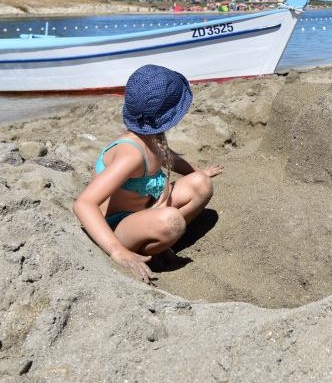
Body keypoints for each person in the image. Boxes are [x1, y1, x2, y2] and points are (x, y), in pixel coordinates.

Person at [73, 64, 224, 282]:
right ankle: (147, 250)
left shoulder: (152, 138)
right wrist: (116, 250)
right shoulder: (131, 154)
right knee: (172, 222)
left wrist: (199, 172)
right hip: (117, 226)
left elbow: (170, 158)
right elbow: (84, 204)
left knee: (201, 184)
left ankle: (161, 243)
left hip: (144, 210)